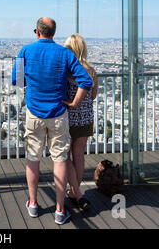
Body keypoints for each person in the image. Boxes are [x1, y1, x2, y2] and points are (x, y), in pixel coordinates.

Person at [12, 17, 93, 225]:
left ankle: (33, 203)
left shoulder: (26, 51)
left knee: (33, 158)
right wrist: (74, 103)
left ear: (36, 31)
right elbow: (86, 81)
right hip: (58, 114)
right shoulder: (64, 53)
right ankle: (60, 209)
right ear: (53, 33)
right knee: (59, 159)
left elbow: (16, 81)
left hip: (34, 113)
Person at [63, 34, 97, 208]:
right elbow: (92, 96)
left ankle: (74, 191)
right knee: (79, 156)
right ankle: (75, 192)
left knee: (64, 155)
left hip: (68, 118)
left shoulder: (66, 71)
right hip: (86, 118)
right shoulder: (91, 71)